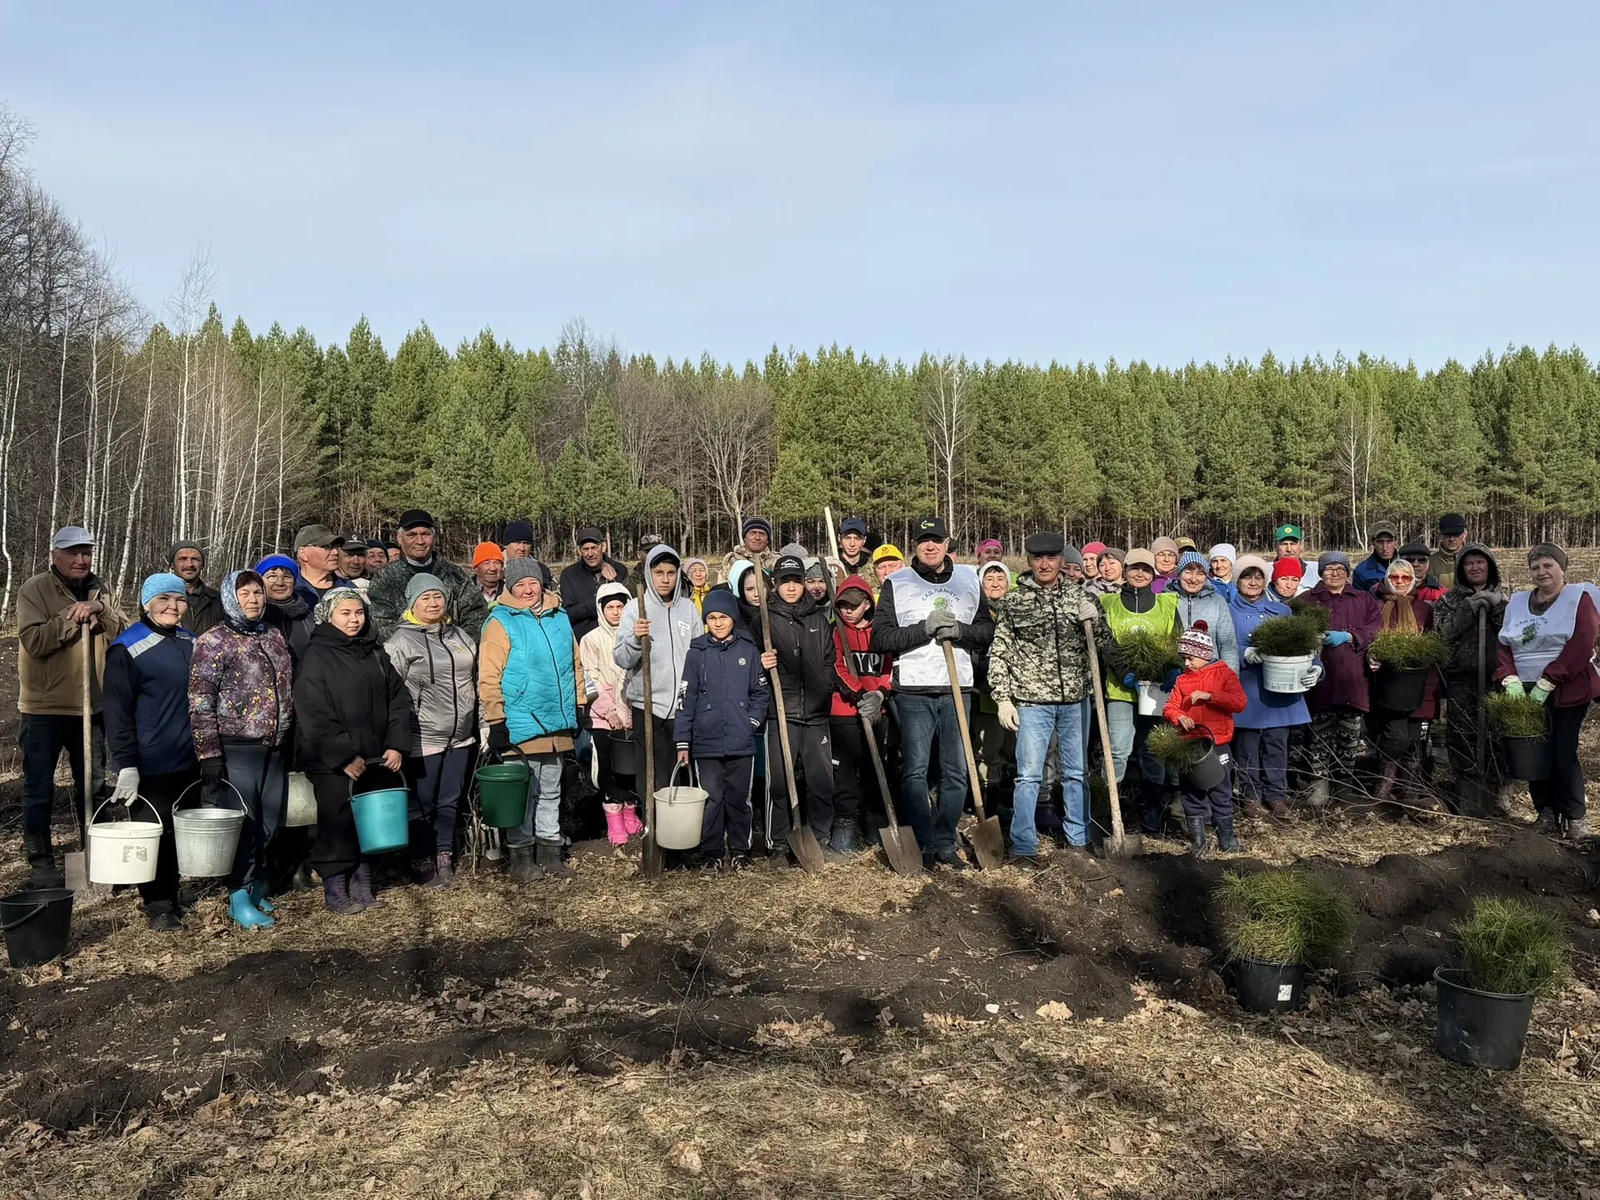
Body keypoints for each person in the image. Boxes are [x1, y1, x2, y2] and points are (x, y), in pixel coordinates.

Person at [870, 517, 995, 870]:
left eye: (936, 540)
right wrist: (923, 629)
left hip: (957, 687)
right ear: (914, 545)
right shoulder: (897, 583)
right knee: (915, 771)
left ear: (946, 543)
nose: (930, 546)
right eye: (924, 540)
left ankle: (944, 841)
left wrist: (961, 631)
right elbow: (881, 638)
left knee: (956, 771)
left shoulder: (968, 579)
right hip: (913, 689)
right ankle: (923, 843)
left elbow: (987, 630)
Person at [988, 531, 1113, 865]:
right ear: (1029, 561)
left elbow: (1104, 644)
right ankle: (1024, 847)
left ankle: (1078, 841)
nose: (1044, 564)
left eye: (1051, 558)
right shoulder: (1014, 602)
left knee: (1076, 774)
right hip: (1032, 702)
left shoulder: (1080, 597)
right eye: (1038, 558)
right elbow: (1000, 652)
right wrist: (1003, 698)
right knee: (1028, 776)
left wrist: (1095, 621)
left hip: (1075, 700)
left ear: (1061, 561)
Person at [17, 525, 128, 886]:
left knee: (93, 785)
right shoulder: (34, 589)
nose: (81, 560)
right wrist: (72, 616)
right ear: (55, 555)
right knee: (39, 789)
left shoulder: (102, 589)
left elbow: (124, 631)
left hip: (90, 709)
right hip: (44, 709)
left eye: (86, 553)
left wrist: (99, 608)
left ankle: (96, 855)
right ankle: (41, 862)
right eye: (72, 553)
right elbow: (34, 641)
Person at [188, 570, 295, 927]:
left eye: (258, 592)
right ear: (230, 598)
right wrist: (209, 754)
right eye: (245, 593)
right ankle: (238, 895)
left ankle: (255, 887)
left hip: (275, 745)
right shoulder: (213, 641)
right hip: (237, 747)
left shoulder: (273, 635)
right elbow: (200, 702)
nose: (254, 599)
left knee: (269, 824)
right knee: (244, 825)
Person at [295, 588, 413, 913]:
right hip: (333, 760)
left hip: (375, 754)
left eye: (359, 612)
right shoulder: (317, 655)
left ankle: (362, 884)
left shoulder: (375, 651)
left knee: (370, 820)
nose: (354, 620)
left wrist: (396, 744)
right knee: (337, 821)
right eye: (345, 613)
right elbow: (313, 712)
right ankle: (335, 888)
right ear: (329, 616)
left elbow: (398, 700)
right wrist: (343, 755)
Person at [103, 574, 197, 930]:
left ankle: (174, 895)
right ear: (146, 604)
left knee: (178, 833)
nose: (173, 606)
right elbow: (117, 711)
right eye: (164, 599)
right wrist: (126, 763)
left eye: (179, 599)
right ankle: (158, 905)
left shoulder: (191, 641)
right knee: (153, 833)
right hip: (150, 761)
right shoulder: (127, 648)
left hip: (189, 757)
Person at [479, 559, 583, 880]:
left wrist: (580, 703)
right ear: (510, 587)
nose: (528, 590)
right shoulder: (500, 622)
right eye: (520, 584)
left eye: (533, 583)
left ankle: (550, 850)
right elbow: (488, 676)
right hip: (521, 722)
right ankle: (522, 857)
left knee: (551, 790)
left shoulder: (559, 617)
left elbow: (575, 664)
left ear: (542, 584)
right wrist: (496, 720)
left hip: (557, 723)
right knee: (523, 793)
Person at [1496, 544, 1599, 842]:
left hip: (1568, 687)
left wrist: (1550, 679)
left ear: (1562, 568)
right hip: (1526, 691)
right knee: (1533, 751)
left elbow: (1582, 642)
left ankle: (1575, 815)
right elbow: (1503, 644)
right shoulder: (1517, 603)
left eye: (1548, 565)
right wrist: (1510, 678)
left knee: (1563, 750)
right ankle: (1546, 811)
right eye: (1535, 567)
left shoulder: (1578, 598)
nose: (1541, 572)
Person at [385, 574, 478, 887]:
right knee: (421, 803)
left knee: (450, 800)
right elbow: (391, 692)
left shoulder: (459, 635)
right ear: (413, 603)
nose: (433, 603)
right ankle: (421, 858)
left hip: (460, 734)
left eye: (437, 596)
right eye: (425, 598)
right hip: (423, 735)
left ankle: (444, 855)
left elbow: (473, 679)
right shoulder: (400, 641)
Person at [752, 552, 838, 862]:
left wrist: (825, 686)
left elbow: (829, 660)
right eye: (785, 581)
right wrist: (761, 663)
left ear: (803, 583)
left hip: (815, 712)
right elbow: (750, 665)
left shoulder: (818, 619)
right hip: (781, 712)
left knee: (820, 780)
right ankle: (779, 842)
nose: (791, 587)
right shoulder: (763, 620)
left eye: (796, 581)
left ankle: (820, 836)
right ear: (775, 584)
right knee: (779, 781)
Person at [674, 590, 769, 869]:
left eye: (723, 617)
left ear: (733, 618)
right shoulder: (697, 653)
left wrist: (751, 722)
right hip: (706, 741)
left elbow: (761, 693)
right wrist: (683, 740)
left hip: (741, 740)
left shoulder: (748, 650)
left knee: (740, 799)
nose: (718, 623)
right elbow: (685, 698)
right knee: (711, 800)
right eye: (712, 618)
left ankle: (740, 851)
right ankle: (711, 853)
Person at [614, 545, 705, 810]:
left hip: (683, 707)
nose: (665, 579)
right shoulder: (636, 609)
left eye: (671, 573)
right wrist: (635, 639)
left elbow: (699, 654)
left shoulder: (688, 609)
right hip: (648, 706)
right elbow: (621, 658)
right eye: (658, 573)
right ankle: (652, 826)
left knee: (681, 772)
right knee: (651, 774)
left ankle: (680, 829)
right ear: (648, 574)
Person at [1096, 549, 1181, 832]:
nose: (1140, 573)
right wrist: (1125, 673)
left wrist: (1173, 668)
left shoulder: (1167, 603)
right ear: (1125, 570)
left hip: (1155, 689)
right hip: (1119, 690)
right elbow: (1105, 643)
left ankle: (1152, 809)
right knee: (1118, 750)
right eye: (1134, 568)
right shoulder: (1108, 603)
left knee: (1153, 749)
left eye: (1146, 569)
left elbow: (1176, 641)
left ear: (1153, 573)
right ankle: (1110, 810)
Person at [1230, 555, 1319, 820]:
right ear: (1237, 581)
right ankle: (1251, 796)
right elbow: (1219, 645)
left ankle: (1276, 795)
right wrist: (1244, 653)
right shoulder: (1227, 610)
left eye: (1259, 576)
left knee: (1277, 744)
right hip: (1246, 687)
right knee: (1247, 745)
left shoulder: (1281, 611)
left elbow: (1302, 645)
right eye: (1247, 576)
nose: (1253, 582)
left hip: (1279, 688)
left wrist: (1316, 667)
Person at [1432, 544, 1510, 811]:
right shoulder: (1449, 601)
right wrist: (1467, 609)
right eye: (1469, 563)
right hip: (1461, 679)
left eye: (1480, 562)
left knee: (1496, 736)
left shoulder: (1507, 600)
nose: (1475, 568)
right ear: (1461, 569)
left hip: (1497, 679)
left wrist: (1497, 608)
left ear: (1490, 566)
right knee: (1461, 735)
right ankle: (1466, 791)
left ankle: (1498, 794)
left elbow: (1516, 633)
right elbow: (1441, 634)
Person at [1303, 551, 1382, 806]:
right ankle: (1319, 783)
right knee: (1319, 735)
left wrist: (1350, 636)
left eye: (1340, 568)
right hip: (1320, 680)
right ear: (1321, 572)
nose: (1335, 573)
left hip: (1352, 678)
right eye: (1329, 569)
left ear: (1348, 573)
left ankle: (1344, 783)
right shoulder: (1308, 600)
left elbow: (1376, 627)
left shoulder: (1363, 599)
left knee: (1349, 735)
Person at [1163, 621, 1248, 855]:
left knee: (1221, 790)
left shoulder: (1224, 674)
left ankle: (1227, 840)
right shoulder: (1182, 680)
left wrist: (1211, 696)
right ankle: (1198, 842)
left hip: (1217, 744)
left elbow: (1239, 702)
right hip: (1190, 746)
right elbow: (1169, 707)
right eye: (1183, 658)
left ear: (1204, 654)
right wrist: (1179, 716)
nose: (1186, 663)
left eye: (1190, 658)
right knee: (1192, 792)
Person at [1366, 558, 1441, 809]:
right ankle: (1383, 788)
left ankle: (1410, 792)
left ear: (1413, 580)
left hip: (1420, 684)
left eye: (1405, 577)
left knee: (1416, 741)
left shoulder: (1424, 610)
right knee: (1396, 738)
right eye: (1395, 577)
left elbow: (1433, 645)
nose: (1400, 582)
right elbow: (1368, 639)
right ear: (1387, 579)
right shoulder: (1376, 606)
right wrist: (1372, 656)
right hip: (1389, 686)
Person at [830, 574, 893, 854]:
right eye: (843, 605)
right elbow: (835, 667)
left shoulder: (881, 631)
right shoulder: (835, 632)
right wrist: (858, 693)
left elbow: (890, 666)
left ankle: (875, 820)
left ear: (867, 604)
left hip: (877, 711)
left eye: (853, 605)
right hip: (843, 711)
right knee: (844, 772)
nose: (847, 611)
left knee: (875, 768)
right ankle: (845, 823)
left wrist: (879, 693)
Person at [580, 581, 642, 844]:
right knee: (608, 767)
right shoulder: (591, 640)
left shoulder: (635, 636)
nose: (616, 612)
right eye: (610, 607)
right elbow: (589, 679)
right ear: (601, 610)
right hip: (603, 717)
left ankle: (631, 811)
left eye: (620, 606)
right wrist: (609, 712)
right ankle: (614, 819)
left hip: (632, 713)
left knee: (631, 767)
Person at [368, 509, 489, 641]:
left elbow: (476, 613)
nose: (420, 541)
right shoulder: (386, 577)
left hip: (454, 649)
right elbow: (381, 622)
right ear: (399, 538)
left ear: (434, 537)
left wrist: (460, 646)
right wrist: (418, 648)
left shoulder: (453, 574)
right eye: (412, 535)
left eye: (425, 534)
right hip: (406, 651)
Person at [1169, 551, 1240, 671]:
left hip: (1210, 675)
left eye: (1200, 574)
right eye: (1188, 572)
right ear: (1179, 574)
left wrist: (1229, 678)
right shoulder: (1166, 600)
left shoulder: (1217, 602)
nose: (1193, 579)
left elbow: (1228, 646)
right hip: (1173, 674)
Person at [559, 527, 631, 643]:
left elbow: (626, 606)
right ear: (579, 550)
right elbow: (568, 614)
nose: (590, 554)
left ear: (603, 547)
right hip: (584, 641)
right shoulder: (569, 574)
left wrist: (614, 582)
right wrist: (598, 601)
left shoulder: (619, 570)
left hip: (617, 640)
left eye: (594, 548)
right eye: (585, 549)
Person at [256, 554, 317, 662]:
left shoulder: (310, 618)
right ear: (260, 582)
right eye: (272, 576)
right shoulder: (253, 617)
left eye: (287, 577)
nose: (280, 583)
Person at [171, 541, 222, 635]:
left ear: (202, 565)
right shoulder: (160, 599)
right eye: (183, 559)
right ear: (172, 565)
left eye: (195, 559)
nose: (189, 564)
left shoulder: (219, 600)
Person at [293, 524, 351, 600]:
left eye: (335, 546)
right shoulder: (288, 590)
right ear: (303, 553)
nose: (335, 552)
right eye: (326, 547)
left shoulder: (348, 589)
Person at [1354, 523, 1400, 593]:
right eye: (1380, 542)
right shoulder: (1361, 571)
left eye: (1389, 541)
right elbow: (1358, 599)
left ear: (1396, 541)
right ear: (1372, 542)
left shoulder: (1408, 566)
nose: (1385, 548)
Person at [1273, 525, 1320, 592]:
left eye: (1293, 544)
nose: (1289, 549)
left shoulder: (1316, 571)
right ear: (1276, 546)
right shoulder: (1265, 573)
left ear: (1301, 546)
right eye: (1284, 544)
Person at [1430, 514, 1468, 591]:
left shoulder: (1476, 559)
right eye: (1447, 534)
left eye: (1456, 534)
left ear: (1464, 535)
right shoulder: (1431, 562)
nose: (1452, 539)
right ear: (1440, 535)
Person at [837, 517, 877, 588]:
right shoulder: (831, 567)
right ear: (839, 538)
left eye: (857, 538)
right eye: (847, 538)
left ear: (864, 540)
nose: (852, 544)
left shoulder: (874, 568)